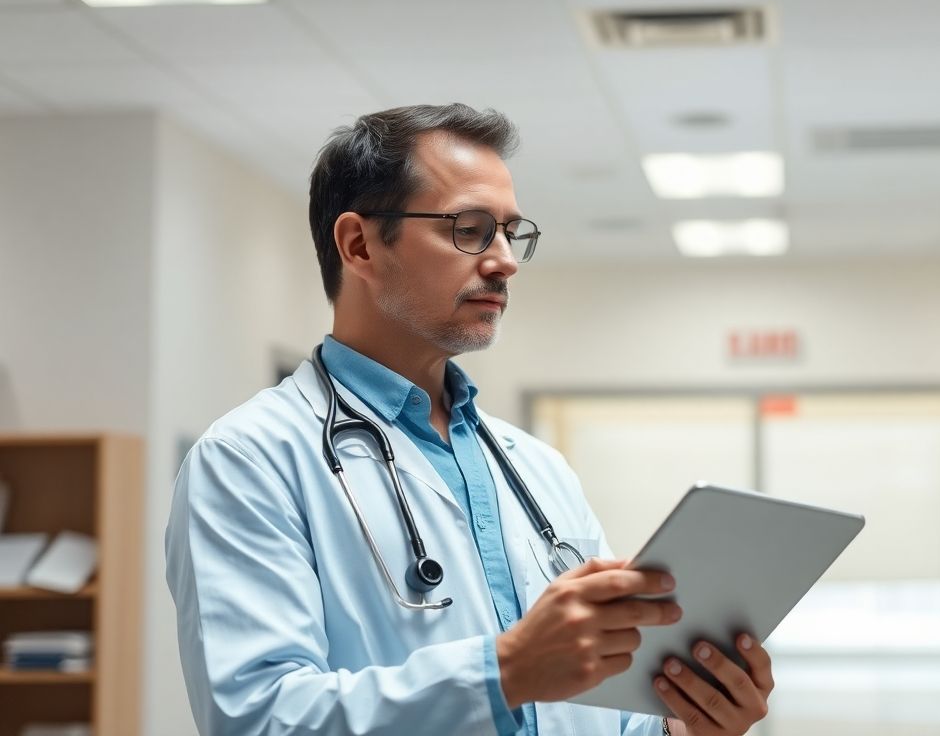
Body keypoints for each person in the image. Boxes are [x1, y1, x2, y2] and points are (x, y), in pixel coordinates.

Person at [164, 104, 775, 736]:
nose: (505, 260)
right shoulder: (249, 459)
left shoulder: (536, 468)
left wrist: (686, 726)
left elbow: (597, 715)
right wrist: (505, 672)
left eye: (511, 232)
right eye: (471, 229)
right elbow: (257, 720)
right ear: (360, 244)